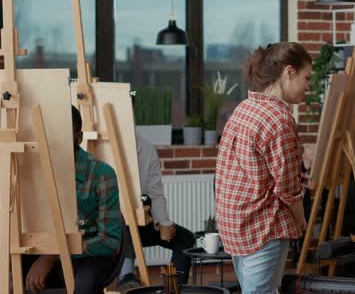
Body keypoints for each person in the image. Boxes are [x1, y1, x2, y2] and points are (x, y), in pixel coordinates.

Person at [215, 42, 311, 294]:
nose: (308, 85)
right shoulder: (279, 118)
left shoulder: (244, 108)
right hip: (262, 224)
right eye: (306, 77)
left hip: (234, 222)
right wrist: (302, 220)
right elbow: (288, 188)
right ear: (289, 72)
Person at [24, 106, 122, 293]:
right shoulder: (29, 171)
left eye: (62, 133)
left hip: (88, 254)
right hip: (42, 250)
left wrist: (52, 256)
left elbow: (110, 242)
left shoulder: (102, 174)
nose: (54, 140)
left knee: (83, 287)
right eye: (49, 133)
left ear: (79, 137)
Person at [117, 132, 196, 288]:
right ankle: (126, 277)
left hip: (141, 220)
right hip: (112, 226)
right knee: (124, 224)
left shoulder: (146, 148)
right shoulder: (98, 145)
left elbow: (155, 192)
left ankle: (173, 288)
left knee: (185, 239)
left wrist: (162, 221)